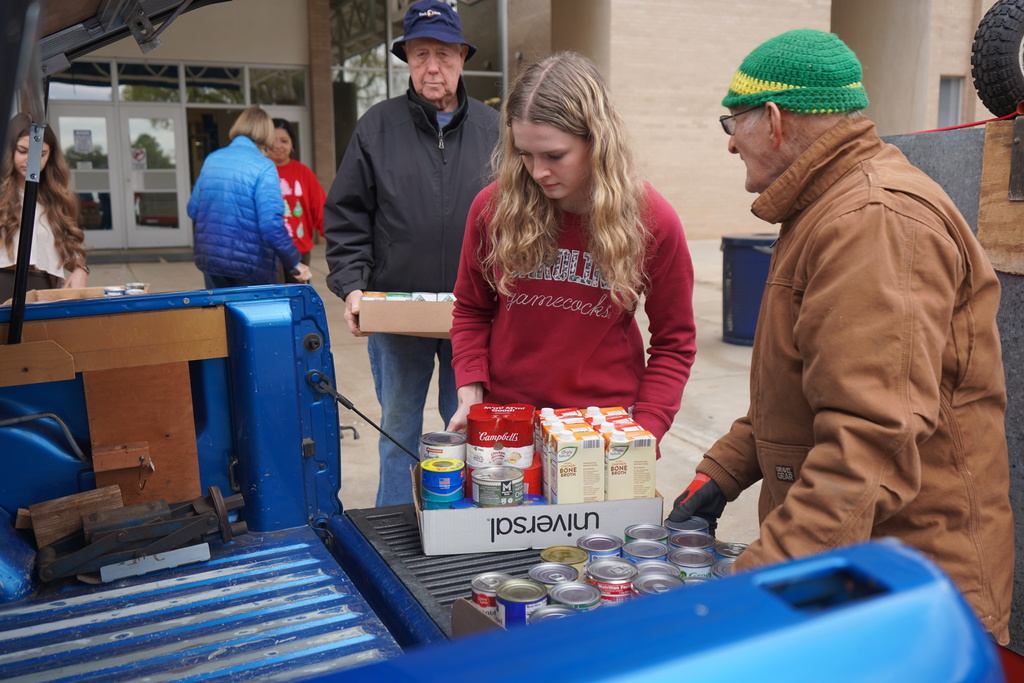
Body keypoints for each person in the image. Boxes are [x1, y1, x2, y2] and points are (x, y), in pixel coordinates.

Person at [668, 29, 1013, 644]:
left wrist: (759, 587)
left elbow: (868, 442)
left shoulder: (872, 223)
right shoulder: (827, 207)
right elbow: (806, 389)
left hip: (909, 590)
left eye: (734, 121)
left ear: (772, 120)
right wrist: (722, 474)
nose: (728, 142)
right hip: (862, 572)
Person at [446, 52, 697, 449]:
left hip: (605, 431)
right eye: (524, 154)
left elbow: (674, 341)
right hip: (510, 423)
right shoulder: (492, 209)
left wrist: (646, 430)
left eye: (554, 156)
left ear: (596, 141)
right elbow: (472, 310)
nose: (537, 171)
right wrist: (471, 390)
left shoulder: (651, 220)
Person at [324, 0, 499, 506]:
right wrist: (353, 286)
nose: (432, 67)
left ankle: (461, 524)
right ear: (407, 60)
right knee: (399, 428)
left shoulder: (494, 131)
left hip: (475, 314)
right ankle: (393, 531)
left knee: (463, 427)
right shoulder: (377, 128)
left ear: (463, 57)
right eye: (420, 55)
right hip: (398, 311)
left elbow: (519, 219)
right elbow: (347, 214)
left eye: (443, 54)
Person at [189, 106, 311, 288]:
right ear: (266, 132)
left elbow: (193, 210)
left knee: (219, 316)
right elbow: (271, 225)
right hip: (250, 264)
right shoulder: (264, 166)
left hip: (211, 259)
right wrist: (295, 262)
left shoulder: (212, 159)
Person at [0, 113, 88, 302]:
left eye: (39, 154)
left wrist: (81, 270)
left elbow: (70, 248)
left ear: (50, 155)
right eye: (22, 151)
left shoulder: (57, 199)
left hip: (44, 288)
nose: (30, 160)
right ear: (9, 151)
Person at [269, 118, 325, 283]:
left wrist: (336, 238)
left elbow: (321, 209)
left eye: (284, 141)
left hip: (299, 251)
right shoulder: (260, 171)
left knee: (297, 302)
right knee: (273, 303)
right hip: (269, 253)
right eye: (273, 140)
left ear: (292, 144)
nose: (278, 146)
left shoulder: (304, 173)